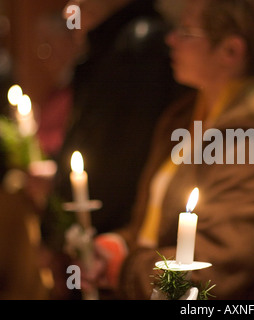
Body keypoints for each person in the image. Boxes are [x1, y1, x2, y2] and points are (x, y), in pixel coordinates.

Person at [84, 0, 254, 300]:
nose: (170, 39)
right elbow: (157, 229)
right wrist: (120, 245)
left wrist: (124, 269)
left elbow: (214, 267)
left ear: (231, 51)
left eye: (186, 31)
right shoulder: (186, 115)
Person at [39, 0, 187, 299]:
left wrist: (111, 249)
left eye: (187, 32)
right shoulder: (113, 40)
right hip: (111, 244)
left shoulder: (141, 42)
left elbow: (118, 161)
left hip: (114, 242)